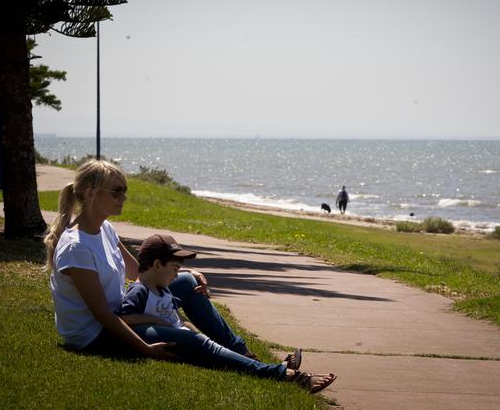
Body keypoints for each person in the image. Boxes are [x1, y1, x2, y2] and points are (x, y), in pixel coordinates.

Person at [44, 159, 337, 393]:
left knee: (187, 283)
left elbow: (138, 272)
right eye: (116, 191)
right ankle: (283, 375)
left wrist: (182, 272)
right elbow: (101, 316)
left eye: (124, 190)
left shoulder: (105, 229)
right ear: (91, 193)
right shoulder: (77, 248)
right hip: (95, 336)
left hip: (121, 314)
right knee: (195, 342)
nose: (123, 197)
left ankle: (247, 357)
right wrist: (145, 348)